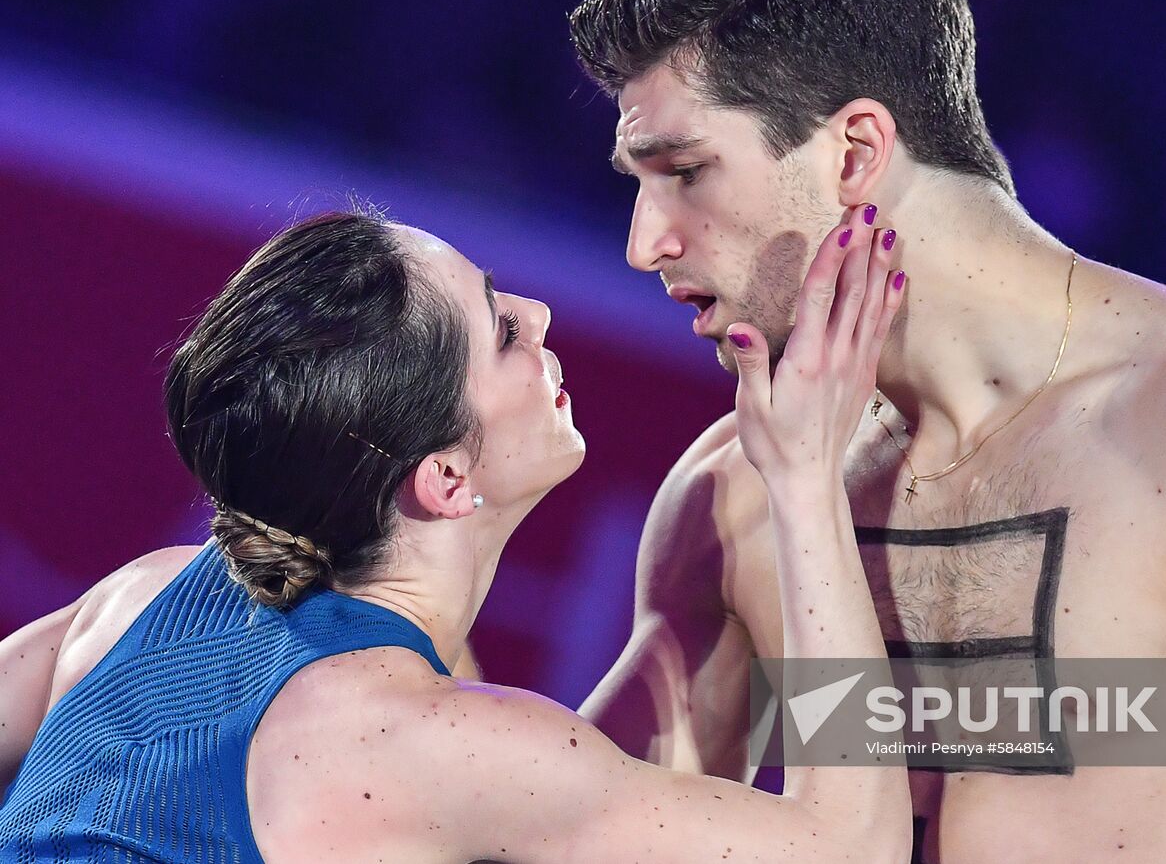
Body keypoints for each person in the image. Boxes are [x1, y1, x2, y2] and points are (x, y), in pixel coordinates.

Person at [568, 0, 1166, 861]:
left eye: (684, 172)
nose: (646, 243)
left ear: (854, 153)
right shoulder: (732, 492)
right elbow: (552, 823)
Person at [0, 206, 913, 862]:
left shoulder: (144, 600)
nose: (543, 315)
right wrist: (802, 479)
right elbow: (853, 846)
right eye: (504, 329)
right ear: (445, 478)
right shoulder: (442, 743)